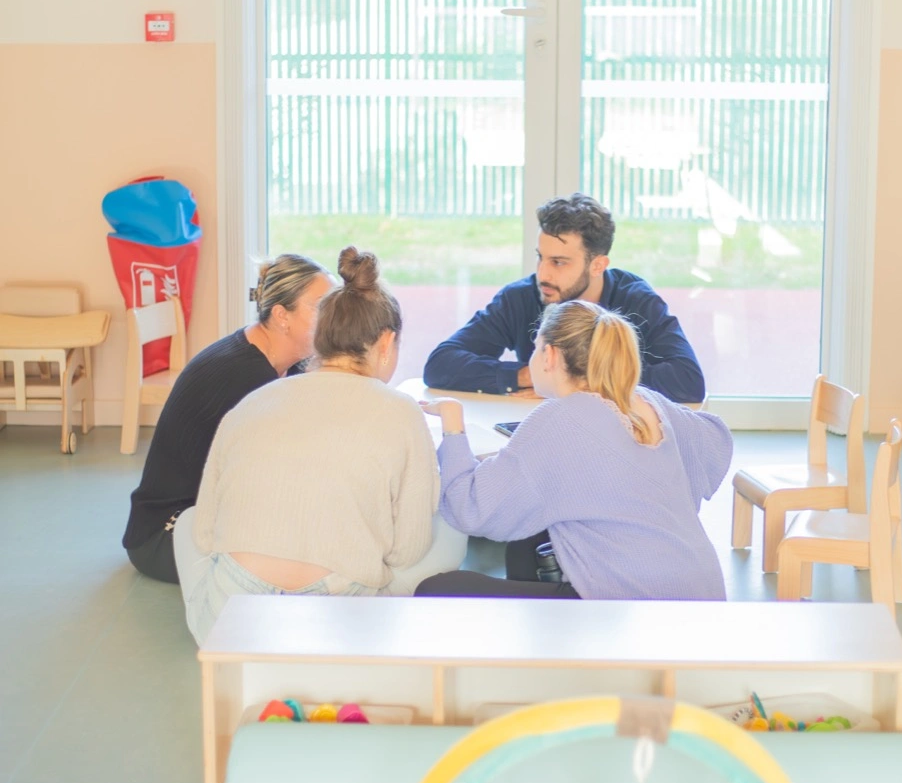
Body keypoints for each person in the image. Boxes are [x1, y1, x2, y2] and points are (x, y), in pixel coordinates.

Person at [173, 247, 466, 644]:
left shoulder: (257, 398)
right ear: (386, 342)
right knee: (451, 528)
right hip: (338, 611)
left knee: (187, 523)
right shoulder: (400, 411)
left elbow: (206, 533)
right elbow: (407, 551)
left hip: (234, 613)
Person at [416, 298, 732, 600]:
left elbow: (470, 509)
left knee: (438, 590)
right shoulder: (646, 400)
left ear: (550, 355)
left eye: (535, 347)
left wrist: (453, 423)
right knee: (529, 544)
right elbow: (717, 441)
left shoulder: (562, 418)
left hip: (635, 611)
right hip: (704, 596)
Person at [123, 252, 334, 584]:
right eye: (321, 307)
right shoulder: (244, 376)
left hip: (210, 516)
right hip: (165, 535)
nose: (333, 317)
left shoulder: (279, 360)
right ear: (282, 316)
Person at [423, 193, 705, 404]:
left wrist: (570, 381)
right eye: (540, 257)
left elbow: (688, 381)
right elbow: (440, 365)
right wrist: (527, 376)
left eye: (558, 262)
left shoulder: (636, 301)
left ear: (597, 265)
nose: (542, 274)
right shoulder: (521, 297)